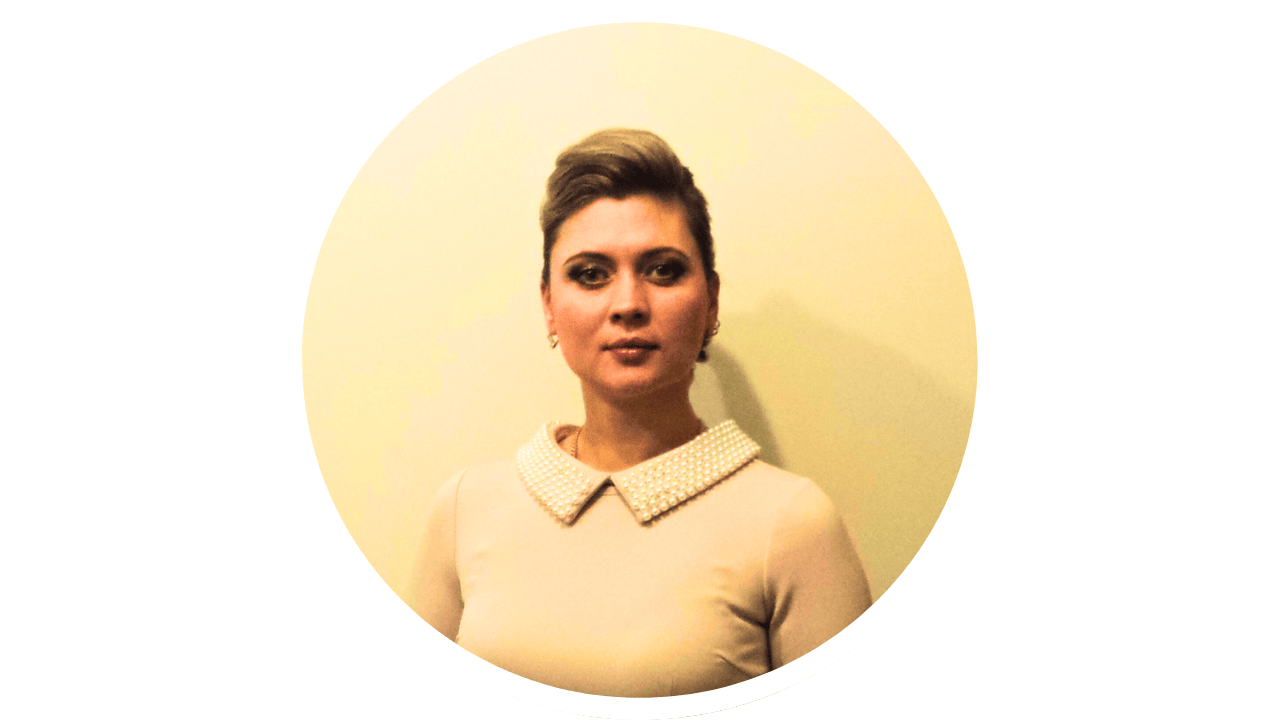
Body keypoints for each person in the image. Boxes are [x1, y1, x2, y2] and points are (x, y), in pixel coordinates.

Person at [409, 128, 872, 697]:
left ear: (711, 300)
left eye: (663, 270)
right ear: (549, 304)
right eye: (590, 274)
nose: (628, 304)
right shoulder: (465, 509)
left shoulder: (794, 524)